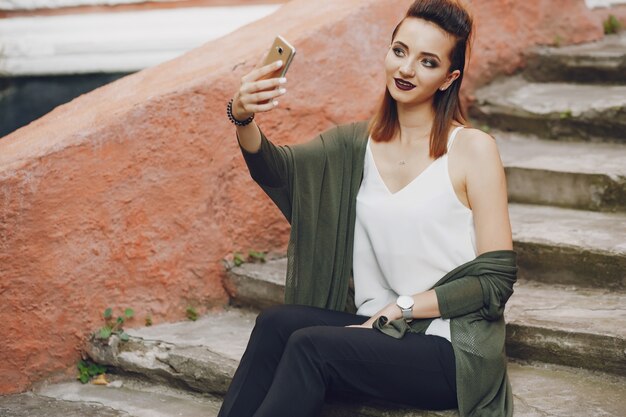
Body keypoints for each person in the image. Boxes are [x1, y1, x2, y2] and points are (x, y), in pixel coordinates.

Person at [218, 0, 517, 416]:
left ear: (449, 78)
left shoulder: (472, 150)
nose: (406, 69)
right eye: (400, 51)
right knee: (276, 324)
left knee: (311, 347)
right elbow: (278, 171)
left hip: (449, 346)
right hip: (380, 330)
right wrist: (243, 116)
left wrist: (405, 306)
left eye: (427, 62)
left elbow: (495, 281)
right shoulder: (356, 145)